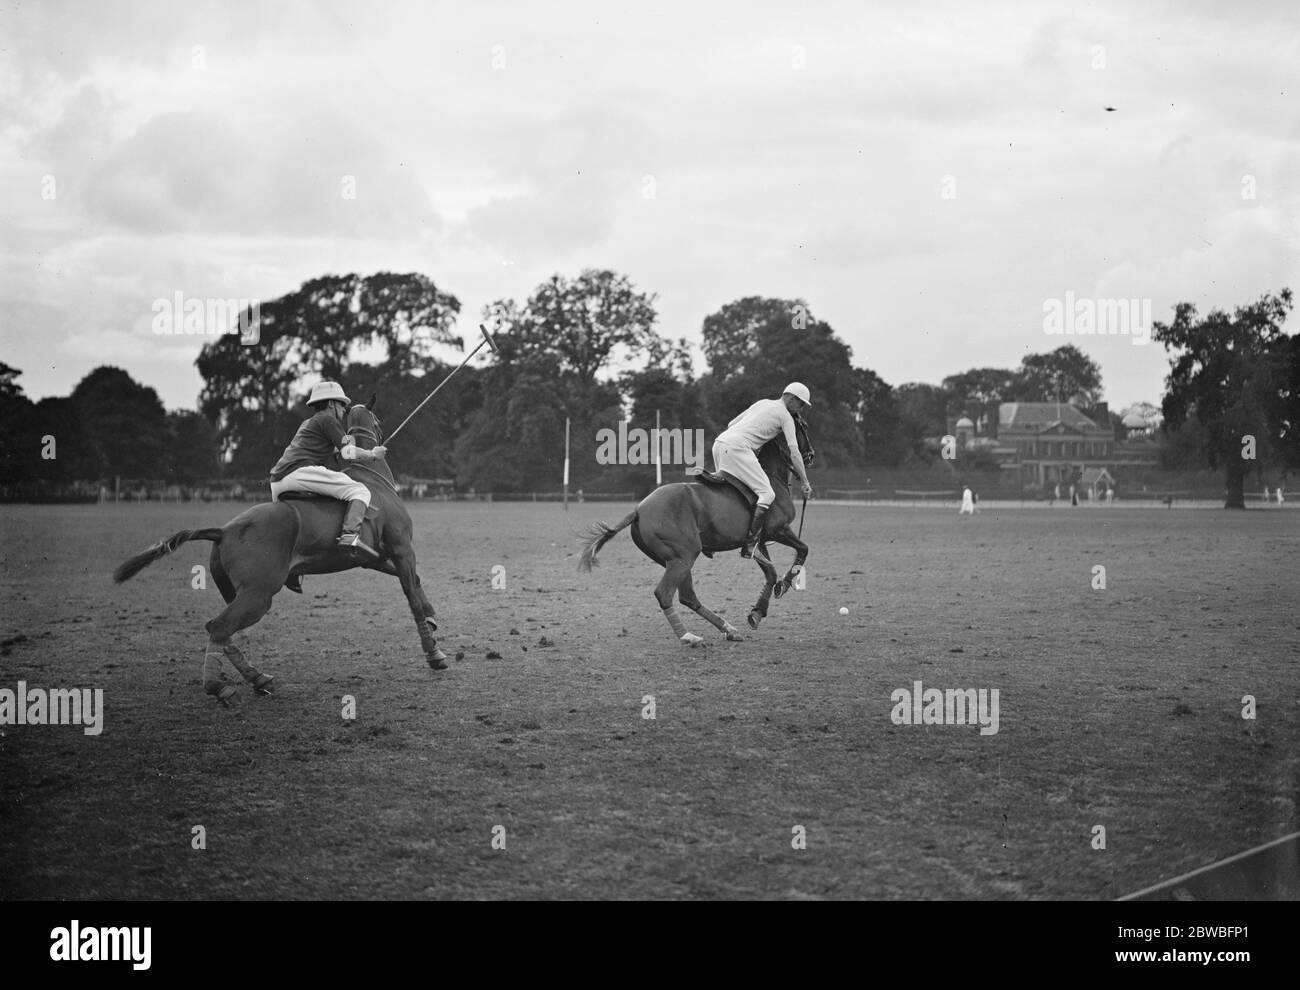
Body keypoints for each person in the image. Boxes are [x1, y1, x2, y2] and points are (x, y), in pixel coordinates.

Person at [269, 381, 387, 559]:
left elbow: (335, 451)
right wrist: (372, 454)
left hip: (276, 484)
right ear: (331, 403)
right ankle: (349, 536)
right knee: (360, 491)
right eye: (341, 404)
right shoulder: (328, 419)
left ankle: (292, 569)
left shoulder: (309, 423)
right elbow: (347, 452)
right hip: (298, 473)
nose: (343, 410)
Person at [712, 382, 814, 561]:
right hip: (737, 448)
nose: (802, 409)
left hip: (719, 443)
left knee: (731, 490)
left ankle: (713, 536)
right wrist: (805, 481)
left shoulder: (762, 403)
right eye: (801, 404)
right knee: (767, 494)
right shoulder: (785, 417)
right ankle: (751, 544)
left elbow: (731, 424)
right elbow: (794, 452)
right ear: (790, 398)